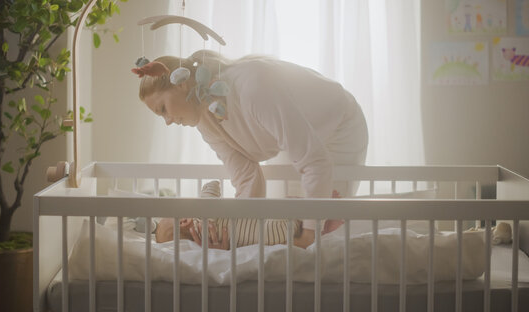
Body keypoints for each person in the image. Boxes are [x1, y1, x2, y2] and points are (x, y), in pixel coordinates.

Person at [132, 50, 368, 248]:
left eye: (163, 109)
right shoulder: (204, 119)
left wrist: (308, 235)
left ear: (182, 83)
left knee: (326, 232)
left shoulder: (252, 87)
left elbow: (316, 162)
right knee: (283, 226)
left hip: (339, 128)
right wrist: (230, 239)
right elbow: (248, 178)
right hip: (298, 137)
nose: (168, 121)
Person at [155, 181, 342, 249]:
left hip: (274, 238)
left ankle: (324, 225)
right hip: (273, 225)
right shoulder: (204, 215)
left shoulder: (203, 244)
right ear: (184, 221)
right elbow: (213, 185)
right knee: (291, 206)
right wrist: (200, 201)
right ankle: (325, 206)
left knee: (295, 219)